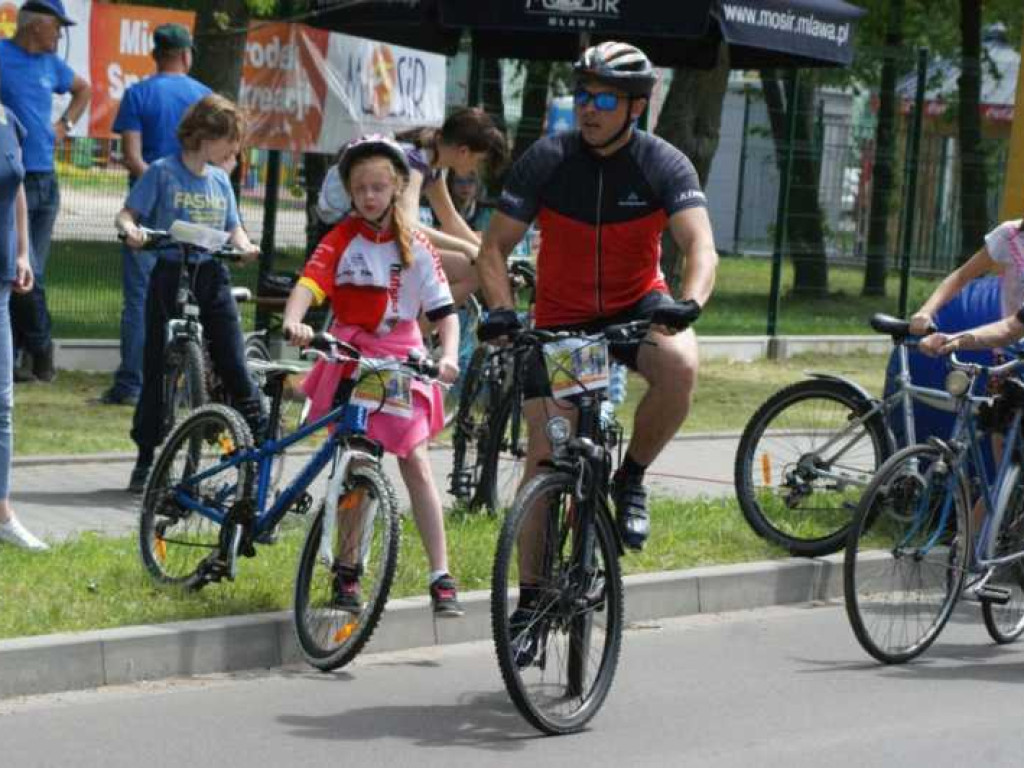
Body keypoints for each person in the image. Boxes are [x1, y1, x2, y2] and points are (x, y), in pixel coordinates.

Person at [476, 41, 718, 553]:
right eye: (583, 95)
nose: (589, 107)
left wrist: (690, 301)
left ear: (636, 107)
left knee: (679, 366)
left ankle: (630, 478)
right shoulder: (548, 160)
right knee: (546, 459)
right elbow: (493, 248)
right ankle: (532, 602)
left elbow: (700, 245)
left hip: (637, 307)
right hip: (567, 322)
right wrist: (502, 310)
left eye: (605, 100)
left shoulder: (663, 164)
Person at [283, 135, 465, 617]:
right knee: (357, 462)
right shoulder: (341, 238)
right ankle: (347, 572)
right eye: (360, 187)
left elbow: (445, 312)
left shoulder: (418, 245)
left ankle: (440, 574)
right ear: (349, 190)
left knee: (415, 461)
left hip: (400, 357)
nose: (369, 196)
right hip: (350, 352)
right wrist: (295, 319)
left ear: (398, 187)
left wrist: (447, 354)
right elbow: (310, 283)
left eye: (379, 187)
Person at [116, 94, 261, 493]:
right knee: (157, 366)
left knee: (232, 358)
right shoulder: (163, 173)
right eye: (231, 140)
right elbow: (129, 214)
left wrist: (245, 245)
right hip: (170, 272)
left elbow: (234, 226)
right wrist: (132, 231)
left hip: (211, 274)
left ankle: (259, 442)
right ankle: (146, 458)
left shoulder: (219, 180)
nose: (235, 149)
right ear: (208, 135)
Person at [99, 23, 211, 407]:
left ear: (155, 54)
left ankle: (131, 384)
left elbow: (132, 156)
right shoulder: (204, 97)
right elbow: (220, 158)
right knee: (191, 296)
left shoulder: (138, 93)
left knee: (139, 299)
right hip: (197, 211)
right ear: (186, 54)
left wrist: (160, 189)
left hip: (146, 213)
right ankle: (183, 385)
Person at [315, 107, 508, 307]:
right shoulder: (413, 163)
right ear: (463, 152)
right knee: (471, 272)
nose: (476, 168)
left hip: (373, 239)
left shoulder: (432, 162)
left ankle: (413, 331)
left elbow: (450, 220)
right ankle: (410, 334)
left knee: (472, 265)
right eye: (478, 161)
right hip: (348, 243)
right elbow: (408, 227)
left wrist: (484, 252)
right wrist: (466, 247)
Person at [0, 0, 90, 383]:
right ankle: (41, 350)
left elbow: (84, 89)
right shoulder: (2, 55)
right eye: (57, 27)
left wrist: (65, 124)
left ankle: (24, 355)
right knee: (23, 267)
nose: (60, 34)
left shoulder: (53, 66)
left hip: (45, 179)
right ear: (36, 26)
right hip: (11, 178)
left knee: (32, 271)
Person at [0, 75, 46, 550]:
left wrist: (22, 253)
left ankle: (2, 514)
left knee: (2, 404)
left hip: (1, 282)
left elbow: (15, 189)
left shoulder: (7, 120)